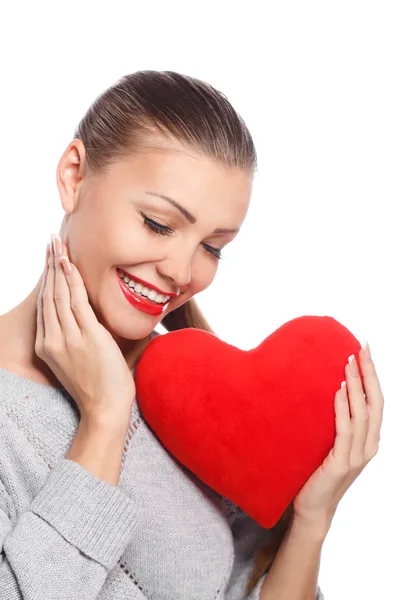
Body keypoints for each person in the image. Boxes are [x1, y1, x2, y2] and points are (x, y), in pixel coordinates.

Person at [0, 70, 383, 599]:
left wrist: (312, 518)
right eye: (158, 223)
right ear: (73, 175)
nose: (183, 271)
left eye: (213, 247)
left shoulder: (197, 407)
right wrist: (105, 418)